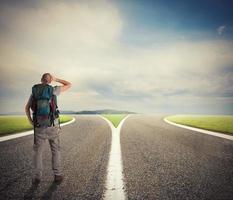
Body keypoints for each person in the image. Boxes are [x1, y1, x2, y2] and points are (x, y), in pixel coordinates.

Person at [25, 73, 71, 184]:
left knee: (38, 152)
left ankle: (37, 177)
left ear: (41, 80)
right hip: (52, 126)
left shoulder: (35, 91)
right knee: (55, 150)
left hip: (39, 126)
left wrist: (31, 121)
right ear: (50, 81)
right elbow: (69, 84)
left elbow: (27, 108)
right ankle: (57, 175)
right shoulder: (53, 90)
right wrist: (56, 79)